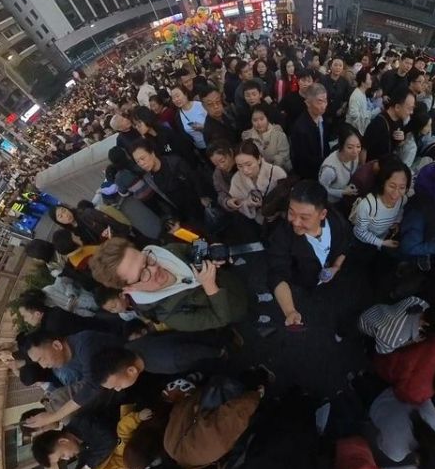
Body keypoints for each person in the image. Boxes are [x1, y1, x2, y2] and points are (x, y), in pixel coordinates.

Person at [90, 236, 249, 333]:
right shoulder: (169, 314)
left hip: (235, 281)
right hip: (237, 309)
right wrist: (210, 287)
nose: (156, 268)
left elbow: (193, 250)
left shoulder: (168, 252)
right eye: (142, 274)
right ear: (128, 288)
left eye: (147, 260)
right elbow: (222, 319)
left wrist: (211, 252)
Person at [267, 181, 355, 329]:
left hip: (330, 275)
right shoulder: (282, 236)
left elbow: (344, 244)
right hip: (303, 279)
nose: (295, 222)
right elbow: (277, 273)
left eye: (304, 218)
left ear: (323, 214)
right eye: (291, 212)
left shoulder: (337, 222)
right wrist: (290, 311)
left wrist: (336, 267)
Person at [130, 142, 209, 229]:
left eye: (143, 158)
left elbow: (195, 179)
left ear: (152, 154)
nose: (141, 163)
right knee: (198, 239)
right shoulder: (149, 178)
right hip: (185, 215)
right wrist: (176, 219)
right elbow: (165, 199)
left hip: (200, 204)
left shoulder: (174, 162)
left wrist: (203, 197)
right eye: (137, 161)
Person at [350, 156, 409, 251]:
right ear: (383, 183)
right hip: (362, 244)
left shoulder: (402, 199)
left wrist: (396, 222)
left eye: (402, 187)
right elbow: (359, 232)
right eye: (392, 186)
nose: (396, 193)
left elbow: (399, 211)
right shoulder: (367, 205)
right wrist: (381, 242)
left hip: (382, 240)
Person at [228, 141, 288, 226]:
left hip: (281, 221)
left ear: (259, 159)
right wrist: (247, 203)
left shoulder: (276, 172)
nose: (245, 170)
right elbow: (238, 203)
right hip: (257, 223)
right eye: (240, 166)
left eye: (249, 164)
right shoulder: (236, 180)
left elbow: (287, 199)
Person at [288, 83, 334, 180]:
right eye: (319, 102)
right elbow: (303, 158)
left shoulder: (323, 117)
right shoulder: (300, 128)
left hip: (324, 167)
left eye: (325, 101)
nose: (323, 106)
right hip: (309, 174)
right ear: (308, 103)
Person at [363, 90, 414, 163]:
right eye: (409, 108)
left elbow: (397, 144)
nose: (411, 112)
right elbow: (364, 148)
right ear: (397, 107)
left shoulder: (400, 120)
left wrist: (401, 139)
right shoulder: (378, 123)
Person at [317, 129, 363, 206]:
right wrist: (343, 192)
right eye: (350, 147)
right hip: (331, 203)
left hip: (345, 196)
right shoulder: (330, 170)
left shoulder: (355, 157)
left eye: (358, 146)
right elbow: (322, 189)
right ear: (341, 146)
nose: (355, 151)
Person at [241, 105, 292, 172]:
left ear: (267, 118)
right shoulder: (247, 136)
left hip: (280, 171)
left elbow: (284, 157)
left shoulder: (278, 134)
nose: (259, 123)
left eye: (262, 119)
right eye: (255, 120)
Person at [199, 85, 239, 150]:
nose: (216, 107)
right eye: (210, 104)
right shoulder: (210, 131)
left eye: (218, 101)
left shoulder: (226, 114)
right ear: (204, 106)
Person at [170, 85, 208, 152]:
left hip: (214, 141)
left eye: (177, 96)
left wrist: (203, 127)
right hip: (201, 148)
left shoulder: (200, 105)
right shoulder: (178, 117)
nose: (176, 99)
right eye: (173, 98)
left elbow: (216, 121)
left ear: (185, 94)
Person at [346, 68, 378, 136]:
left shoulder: (362, 93)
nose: (371, 81)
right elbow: (354, 116)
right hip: (354, 131)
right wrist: (373, 113)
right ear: (363, 82)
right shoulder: (356, 96)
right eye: (369, 79)